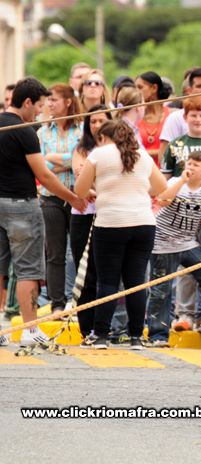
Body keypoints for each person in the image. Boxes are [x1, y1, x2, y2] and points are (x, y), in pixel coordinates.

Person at [0, 78, 86, 348]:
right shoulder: (25, 131)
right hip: (22, 206)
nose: (40, 113)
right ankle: (29, 330)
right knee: (28, 270)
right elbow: (44, 175)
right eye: (38, 106)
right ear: (27, 102)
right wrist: (73, 198)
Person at [74, 120, 167, 349]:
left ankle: (101, 335)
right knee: (136, 282)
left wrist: (97, 189)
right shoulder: (142, 155)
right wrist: (137, 188)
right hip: (143, 223)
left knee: (108, 282)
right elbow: (161, 188)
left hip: (110, 223)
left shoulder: (99, 154)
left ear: (104, 137)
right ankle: (136, 336)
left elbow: (80, 190)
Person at [147, 150, 201, 345]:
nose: (190, 167)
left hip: (188, 244)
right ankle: (158, 335)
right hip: (162, 244)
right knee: (161, 290)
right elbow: (162, 200)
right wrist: (181, 181)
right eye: (189, 163)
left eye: (196, 165)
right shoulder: (174, 182)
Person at [38, 83, 83, 316]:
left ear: (68, 102)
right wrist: (69, 161)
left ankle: (79, 300)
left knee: (78, 252)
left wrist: (55, 158)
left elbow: (83, 161)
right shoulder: (42, 132)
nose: (49, 104)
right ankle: (57, 302)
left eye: (54, 99)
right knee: (54, 253)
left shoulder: (83, 129)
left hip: (79, 197)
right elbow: (41, 166)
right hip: (51, 198)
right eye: (48, 100)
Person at [71, 104, 111, 342]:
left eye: (101, 121)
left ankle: (104, 327)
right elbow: (80, 175)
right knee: (85, 273)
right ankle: (86, 328)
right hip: (84, 214)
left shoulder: (118, 149)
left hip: (109, 214)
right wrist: (93, 186)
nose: (97, 125)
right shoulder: (81, 148)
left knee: (106, 273)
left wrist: (94, 184)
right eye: (92, 121)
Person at [135, 71, 171, 164]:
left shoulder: (171, 115)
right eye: (135, 88)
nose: (136, 92)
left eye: (140, 87)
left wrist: (143, 153)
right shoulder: (135, 116)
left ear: (154, 88)